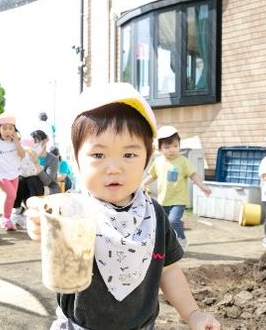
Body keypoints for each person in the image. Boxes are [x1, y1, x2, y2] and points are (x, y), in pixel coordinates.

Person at [26, 82, 220, 330]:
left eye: (129, 155)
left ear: (147, 159)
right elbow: (47, 218)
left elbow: (168, 270)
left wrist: (192, 313)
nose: (114, 167)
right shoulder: (73, 209)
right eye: (98, 155)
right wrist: (39, 225)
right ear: (76, 159)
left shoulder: (155, 216)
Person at [142, 125, 212, 250]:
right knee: (164, 224)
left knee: (173, 221)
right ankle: (168, 245)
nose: (172, 150)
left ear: (179, 145)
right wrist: (143, 183)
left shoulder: (183, 161)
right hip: (163, 200)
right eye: (167, 147)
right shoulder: (158, 162)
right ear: (160, 148)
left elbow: (193, 175)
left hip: (178, 200)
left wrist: (203, 186)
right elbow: (153, 176)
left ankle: (181, 238)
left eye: (175, 146)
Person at [0, 112, 25, 231]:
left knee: (12, 196)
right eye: (4, 128)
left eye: (10, 128)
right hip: (1, 174)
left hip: (14, 173)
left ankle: (6, 219)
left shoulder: (16, 140)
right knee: (11, 195)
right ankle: (5, 219)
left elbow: (22, 155)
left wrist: (17, 143)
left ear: (14, 129)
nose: (8, 131)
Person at [14, 129, 60, 215]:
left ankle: (34, 210)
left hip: (48, 189)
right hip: (30, 188)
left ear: (45, 142)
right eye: (33, 142)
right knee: (19, 180)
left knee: (33, 179)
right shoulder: (27, 156)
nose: (35, 145)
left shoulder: (52, 159)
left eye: (37, 142)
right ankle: (17, 208)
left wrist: (35, 162)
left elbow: (47, 182)